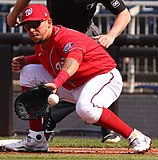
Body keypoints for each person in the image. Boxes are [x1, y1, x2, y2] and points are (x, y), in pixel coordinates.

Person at [5, 4, 151, 153]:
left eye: (36, 24)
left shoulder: (65, 36)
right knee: (28, 72)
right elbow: (48, 57)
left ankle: (136, 136)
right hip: (75, 84)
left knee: (85, 109)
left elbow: (73, 59)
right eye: (27, 26)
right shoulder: (42, 42)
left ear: (49, 22)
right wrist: (27, 60)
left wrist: (56, 83)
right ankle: (36, 139)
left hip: (104, 77)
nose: (31, 30)